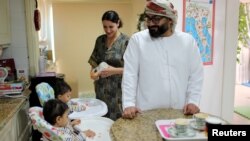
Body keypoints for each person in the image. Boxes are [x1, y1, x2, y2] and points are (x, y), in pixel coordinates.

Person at [122, 0, 204, 119]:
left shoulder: (187, 42)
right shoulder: (137, 41)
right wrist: (129, 104)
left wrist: (193, 101)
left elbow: (196, 74)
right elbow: (130, 74)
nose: (150, 24)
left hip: (180, 112)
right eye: (148, 19)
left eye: (156, 19)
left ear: (170, 20)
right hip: (146, 112)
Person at [88, 10, 130, 120]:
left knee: (118, 122)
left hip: (118, 92)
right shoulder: (100, 40)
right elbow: (94, 61)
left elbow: (133, 69)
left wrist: (114, 70)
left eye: (111, 26)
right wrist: (92, 73)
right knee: (102, 120)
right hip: (101, 89)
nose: (108, 30)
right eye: (105, 27)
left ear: (118, 23)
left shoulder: (126, 42)